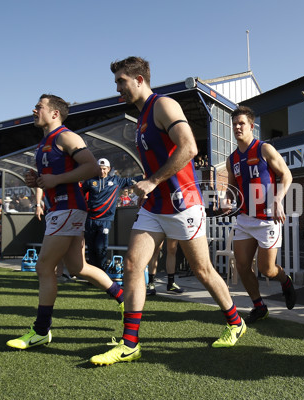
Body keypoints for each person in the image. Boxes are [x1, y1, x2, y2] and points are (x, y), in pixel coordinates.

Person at [90, 57, 247, 366]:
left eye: (121, 81)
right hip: (154, 206)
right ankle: (130, 343)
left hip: (183, 203)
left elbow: (189, 148)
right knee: (134, 264)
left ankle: (235, 321)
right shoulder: (141, 119)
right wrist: (147, 188)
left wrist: (152, 180)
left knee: (202, 271)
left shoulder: (163, 106)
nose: (117, 87)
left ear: (138, 79)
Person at [7, 94, 125, 350]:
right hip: (60, 209)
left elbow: (92, 167)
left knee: (43, 267)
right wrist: (37, 179)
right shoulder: (45, 141)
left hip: (68, 208)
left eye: (39, 106)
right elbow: (53, 176)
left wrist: (55, 181)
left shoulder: (66, 136)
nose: (34, 109)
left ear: (54, 113)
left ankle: (40, 331)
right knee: (78, 267)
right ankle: (126, 298)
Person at [225, 105, 296, 324]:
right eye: (234, 124)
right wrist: (227, 199)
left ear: (251, 127)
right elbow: (231, 187)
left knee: (267, 269)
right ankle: (259, 306)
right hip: (245, 219)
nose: (237, 127)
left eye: (241, 123)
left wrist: (277, 199)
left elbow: (287, 175)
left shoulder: (265, 149)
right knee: (242, 266)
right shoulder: (232, 159)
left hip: (267, 219)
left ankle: (285, 280)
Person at [81, 158, 142, 271]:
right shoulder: (90, 181)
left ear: (108, 169)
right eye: (99, 169)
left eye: (104, 169)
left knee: (101, 248)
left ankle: (102, 273)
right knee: (91, 248)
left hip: (105, 220)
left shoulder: (115, 181)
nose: (102, 171)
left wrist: (147, 176)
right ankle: (93, 275)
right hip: (90, 219)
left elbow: (132, 180)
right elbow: (80, 194)